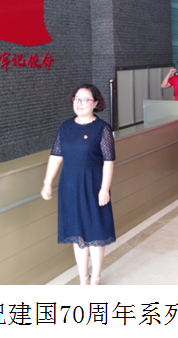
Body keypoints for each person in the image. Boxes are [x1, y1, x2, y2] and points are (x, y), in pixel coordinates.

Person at [41, 84, 116, 286]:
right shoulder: (65, 127)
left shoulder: (102, 129)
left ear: (95, 103)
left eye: (84, 100)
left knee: (96, 233)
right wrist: (47, 183)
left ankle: (96, 278)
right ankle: (84, 279)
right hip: (70, 187)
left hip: (94, 186)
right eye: (76, 99)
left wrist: (104, 189)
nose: (79, 103)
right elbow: (56, 156)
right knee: (78, 235)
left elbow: (109, 161)